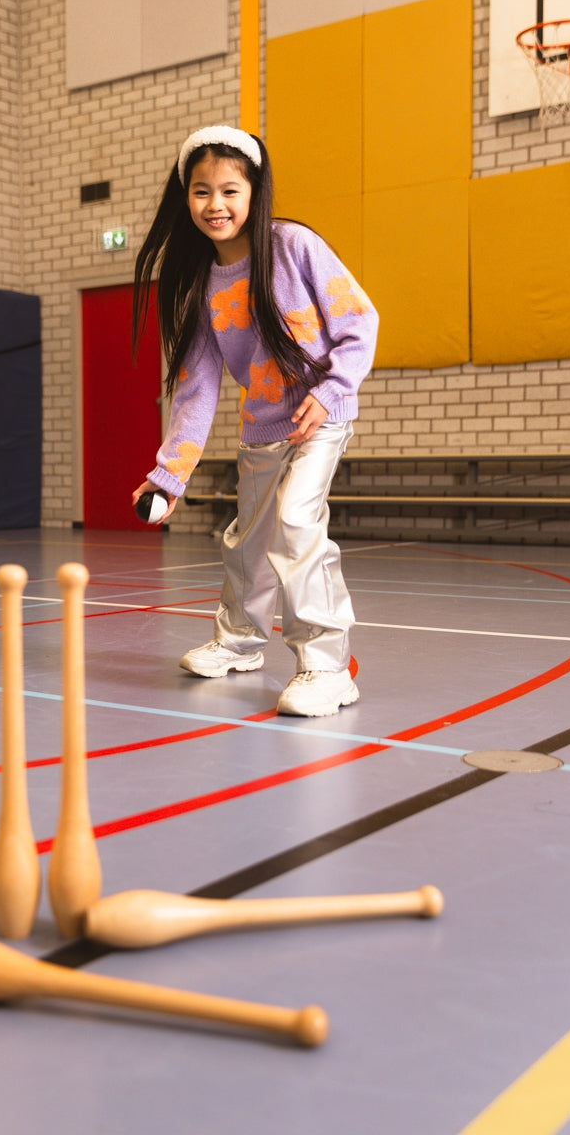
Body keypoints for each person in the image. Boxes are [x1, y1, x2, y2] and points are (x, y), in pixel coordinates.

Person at [132, 124, 378, 717]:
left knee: (296, 521)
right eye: (200, 191)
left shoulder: (293, 247)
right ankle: (241, 641)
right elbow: (195, 388)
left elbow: (360, 320)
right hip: (262, 427)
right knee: (249, 541)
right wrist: (170, 475)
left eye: (229, 191)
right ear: (184, 196)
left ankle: (326, 665)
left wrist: (333, 388)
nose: (215, 205)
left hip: (320, 414)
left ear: (253, 192)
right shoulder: (197, 286)